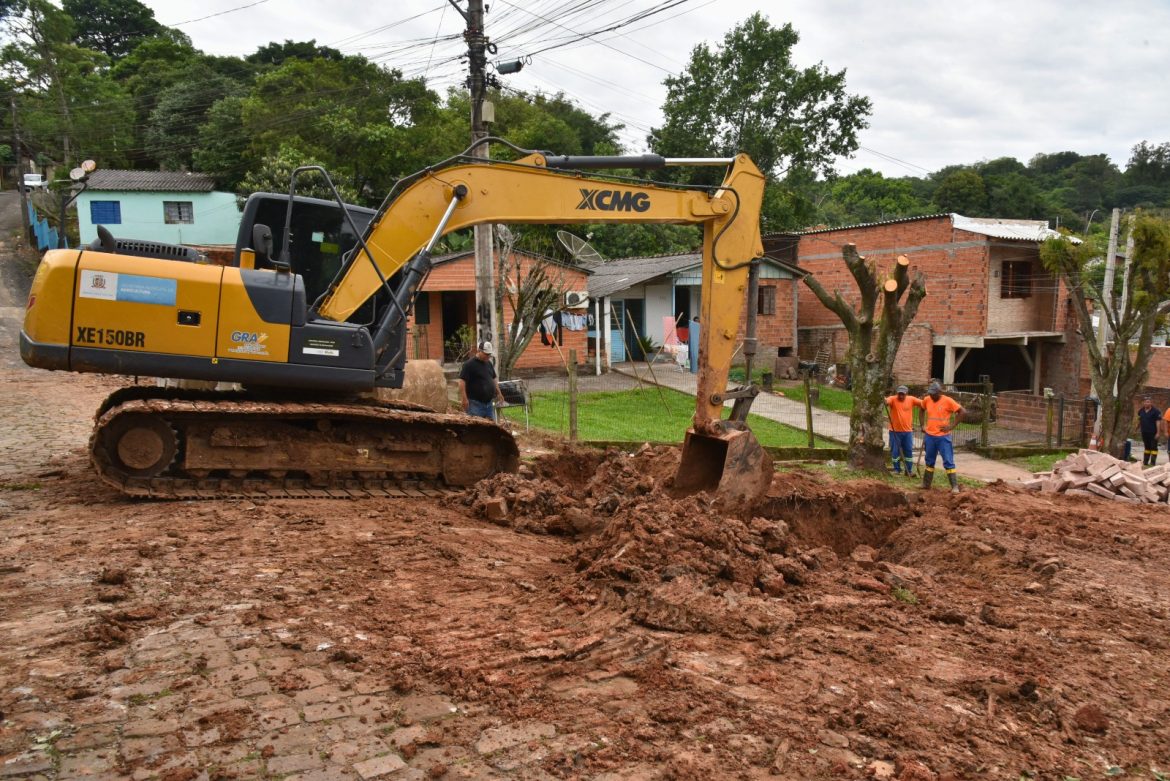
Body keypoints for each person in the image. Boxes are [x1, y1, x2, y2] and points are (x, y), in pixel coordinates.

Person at [920, 381, 964, 493]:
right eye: (930, 393)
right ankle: (926, 484)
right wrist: (922, 425)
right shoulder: (927, 400)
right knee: (929, 460)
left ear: (939, 392)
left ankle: (954, 486)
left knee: (948, 461)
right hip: (930, 436)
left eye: (933, 393)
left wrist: (951, 426)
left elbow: (962, 412)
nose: (931, 396)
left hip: (943, 437)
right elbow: (921, 410)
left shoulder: (948, 401)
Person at [459, 341, 504, 422]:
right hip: (475, 404)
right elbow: (462, 381)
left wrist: (499, 393)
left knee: (492, 428)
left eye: (489, 354)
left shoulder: (488, 363)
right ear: (479, 351)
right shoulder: (469, 365)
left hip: (489, 404)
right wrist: (464, 399)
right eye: (486, 354)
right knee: (476, 428)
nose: (488, 356)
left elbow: (493, 378)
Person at [885, 384, 921, 477]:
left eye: (903, 394)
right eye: (899, 394)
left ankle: (908, 470)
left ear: (906, 394)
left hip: (907, 432)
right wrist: (884, 400)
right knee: (895, 451)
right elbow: (887, 401)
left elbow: (923, 403)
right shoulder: (893, 399)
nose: (901, 396)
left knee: (908, 450)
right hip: (894, 431)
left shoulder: (911, 399)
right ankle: (897, 469)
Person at [1136, 395, 1164, 467]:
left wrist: (1158, 432)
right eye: (1145, 402)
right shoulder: (1141, 410)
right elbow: (1140, 419)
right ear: (1143, 403)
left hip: (1153, 432)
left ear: (1151, 403)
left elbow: (1158, 422)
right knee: (1147, 447)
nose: (1146, 403)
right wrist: (1137, 428)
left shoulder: (1156, 412)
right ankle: (1145, 462)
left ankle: (1152, 462)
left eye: (1148, 402)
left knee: (1153, 447)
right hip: (1144, 432)